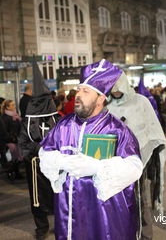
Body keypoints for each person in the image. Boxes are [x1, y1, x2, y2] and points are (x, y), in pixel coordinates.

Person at [38, 59, 143, 240]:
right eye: (79, 89)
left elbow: (134, 167)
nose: (78, 94)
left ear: (100, 98)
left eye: (85, 91)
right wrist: (63, 161)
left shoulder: (117, 130)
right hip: (70, 212)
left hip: (106, 215)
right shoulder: (64, 125)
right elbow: (44, 154)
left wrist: (97, 168)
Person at [108, 73, 166, 240]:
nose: (115, 90)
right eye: (111, 86)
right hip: (114, 166)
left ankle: (145, 236)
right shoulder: (106, 105)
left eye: (117, 85)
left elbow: (151, 128)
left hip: (136, 163)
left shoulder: (141, 102)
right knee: (117, 205)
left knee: (140, 202)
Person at [18, 59, 60, 240]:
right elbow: (23, 144)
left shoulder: (56, 119)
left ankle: (61, 224)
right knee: (37, 199)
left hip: (55, 166)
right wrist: (40, 150)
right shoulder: (28, 122)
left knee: (58, 196)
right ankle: (41, 227)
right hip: (35, 167)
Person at [1, 99, 23, 179]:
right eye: (12, 105)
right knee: (16, 156)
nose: (14, 106)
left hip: (17, 139)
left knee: (20, 157)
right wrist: (11, 137)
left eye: (14, 104)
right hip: (10, 141)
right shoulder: (5, 117)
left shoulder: (16, 115)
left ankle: (14, 171)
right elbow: (4, 131)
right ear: (7, 107)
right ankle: (12, 171)